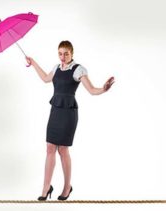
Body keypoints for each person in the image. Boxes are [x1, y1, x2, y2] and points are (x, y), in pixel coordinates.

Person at [25, 40, 115, 201]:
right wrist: (33, 63)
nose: (63, 57)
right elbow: (46, 78)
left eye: (66, 53)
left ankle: (67, 187)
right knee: (50, 148)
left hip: (68, 113)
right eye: (60, 53)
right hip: (55, 111)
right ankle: (46, 187)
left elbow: (92, 90)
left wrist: (104, 88)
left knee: (63, 150)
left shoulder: (78, 69)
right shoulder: (56, 68)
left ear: (72, 53)